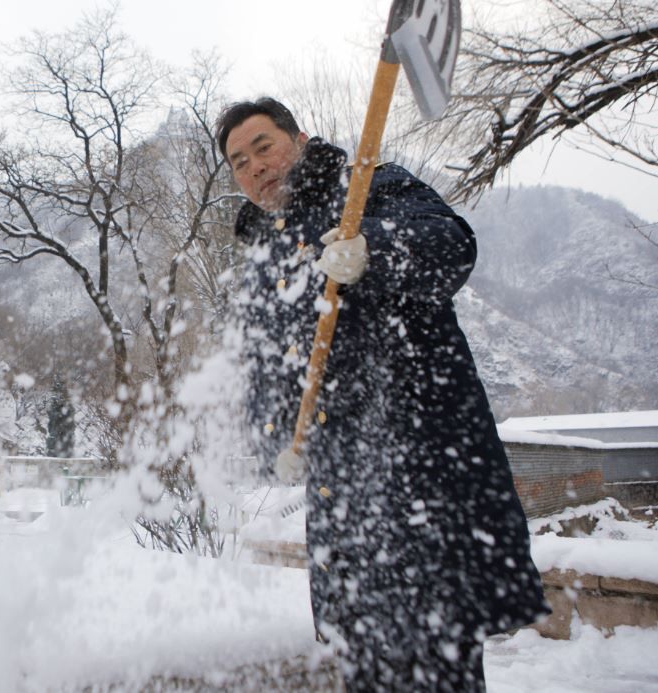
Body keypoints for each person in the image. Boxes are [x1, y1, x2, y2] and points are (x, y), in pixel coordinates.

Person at [218, 97, 549, 692]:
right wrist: (277, 435)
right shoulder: (262, 254)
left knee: (436, 662)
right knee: (363, 665)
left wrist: (373, 246)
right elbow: (266, 365)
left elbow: (451, 244)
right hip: (342, 501)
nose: (255, 166)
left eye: (263, 146)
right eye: (239, 162)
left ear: (300, 137)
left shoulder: (365, 186)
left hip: (422, 478)